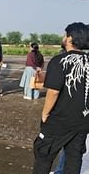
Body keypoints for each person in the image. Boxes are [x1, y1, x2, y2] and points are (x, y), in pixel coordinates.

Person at [32, 22, 89, 174]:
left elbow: (53, 92)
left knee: (44, 154)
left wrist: (45, 113)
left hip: (59, 120)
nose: (63, 37)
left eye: (65, 35)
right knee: (74, 157)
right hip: (82, 121)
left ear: (70, 38)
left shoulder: (59, 61)